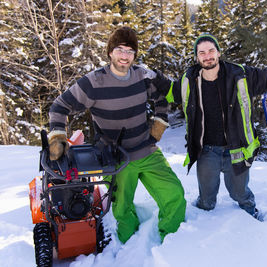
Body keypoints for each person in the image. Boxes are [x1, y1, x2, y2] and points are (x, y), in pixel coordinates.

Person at [157, 33, 267, 220]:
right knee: (206, 196)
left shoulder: (240, 74)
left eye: (211, 50)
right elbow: (168, 91)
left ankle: (250, 212)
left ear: (218, 53)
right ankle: (202, 222)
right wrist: (148, 78)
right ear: (197, 57)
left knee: (239, 192)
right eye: (202, 52)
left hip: (236, 148)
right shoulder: (189, 80)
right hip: (206, 151)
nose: (207, 55)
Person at [47, 26, 186, 243]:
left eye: (130, 51)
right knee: (122, 209)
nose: (124, 56)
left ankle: (172, 242)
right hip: (116, 157)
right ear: (110, 51)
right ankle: (128, 246)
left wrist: (158, 126)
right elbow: (59, 106)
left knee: (175, 194)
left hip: (147, 150)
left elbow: (161, 98)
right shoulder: (93, 82)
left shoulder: (142, 76)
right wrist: (58, 141)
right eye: (120, 49)